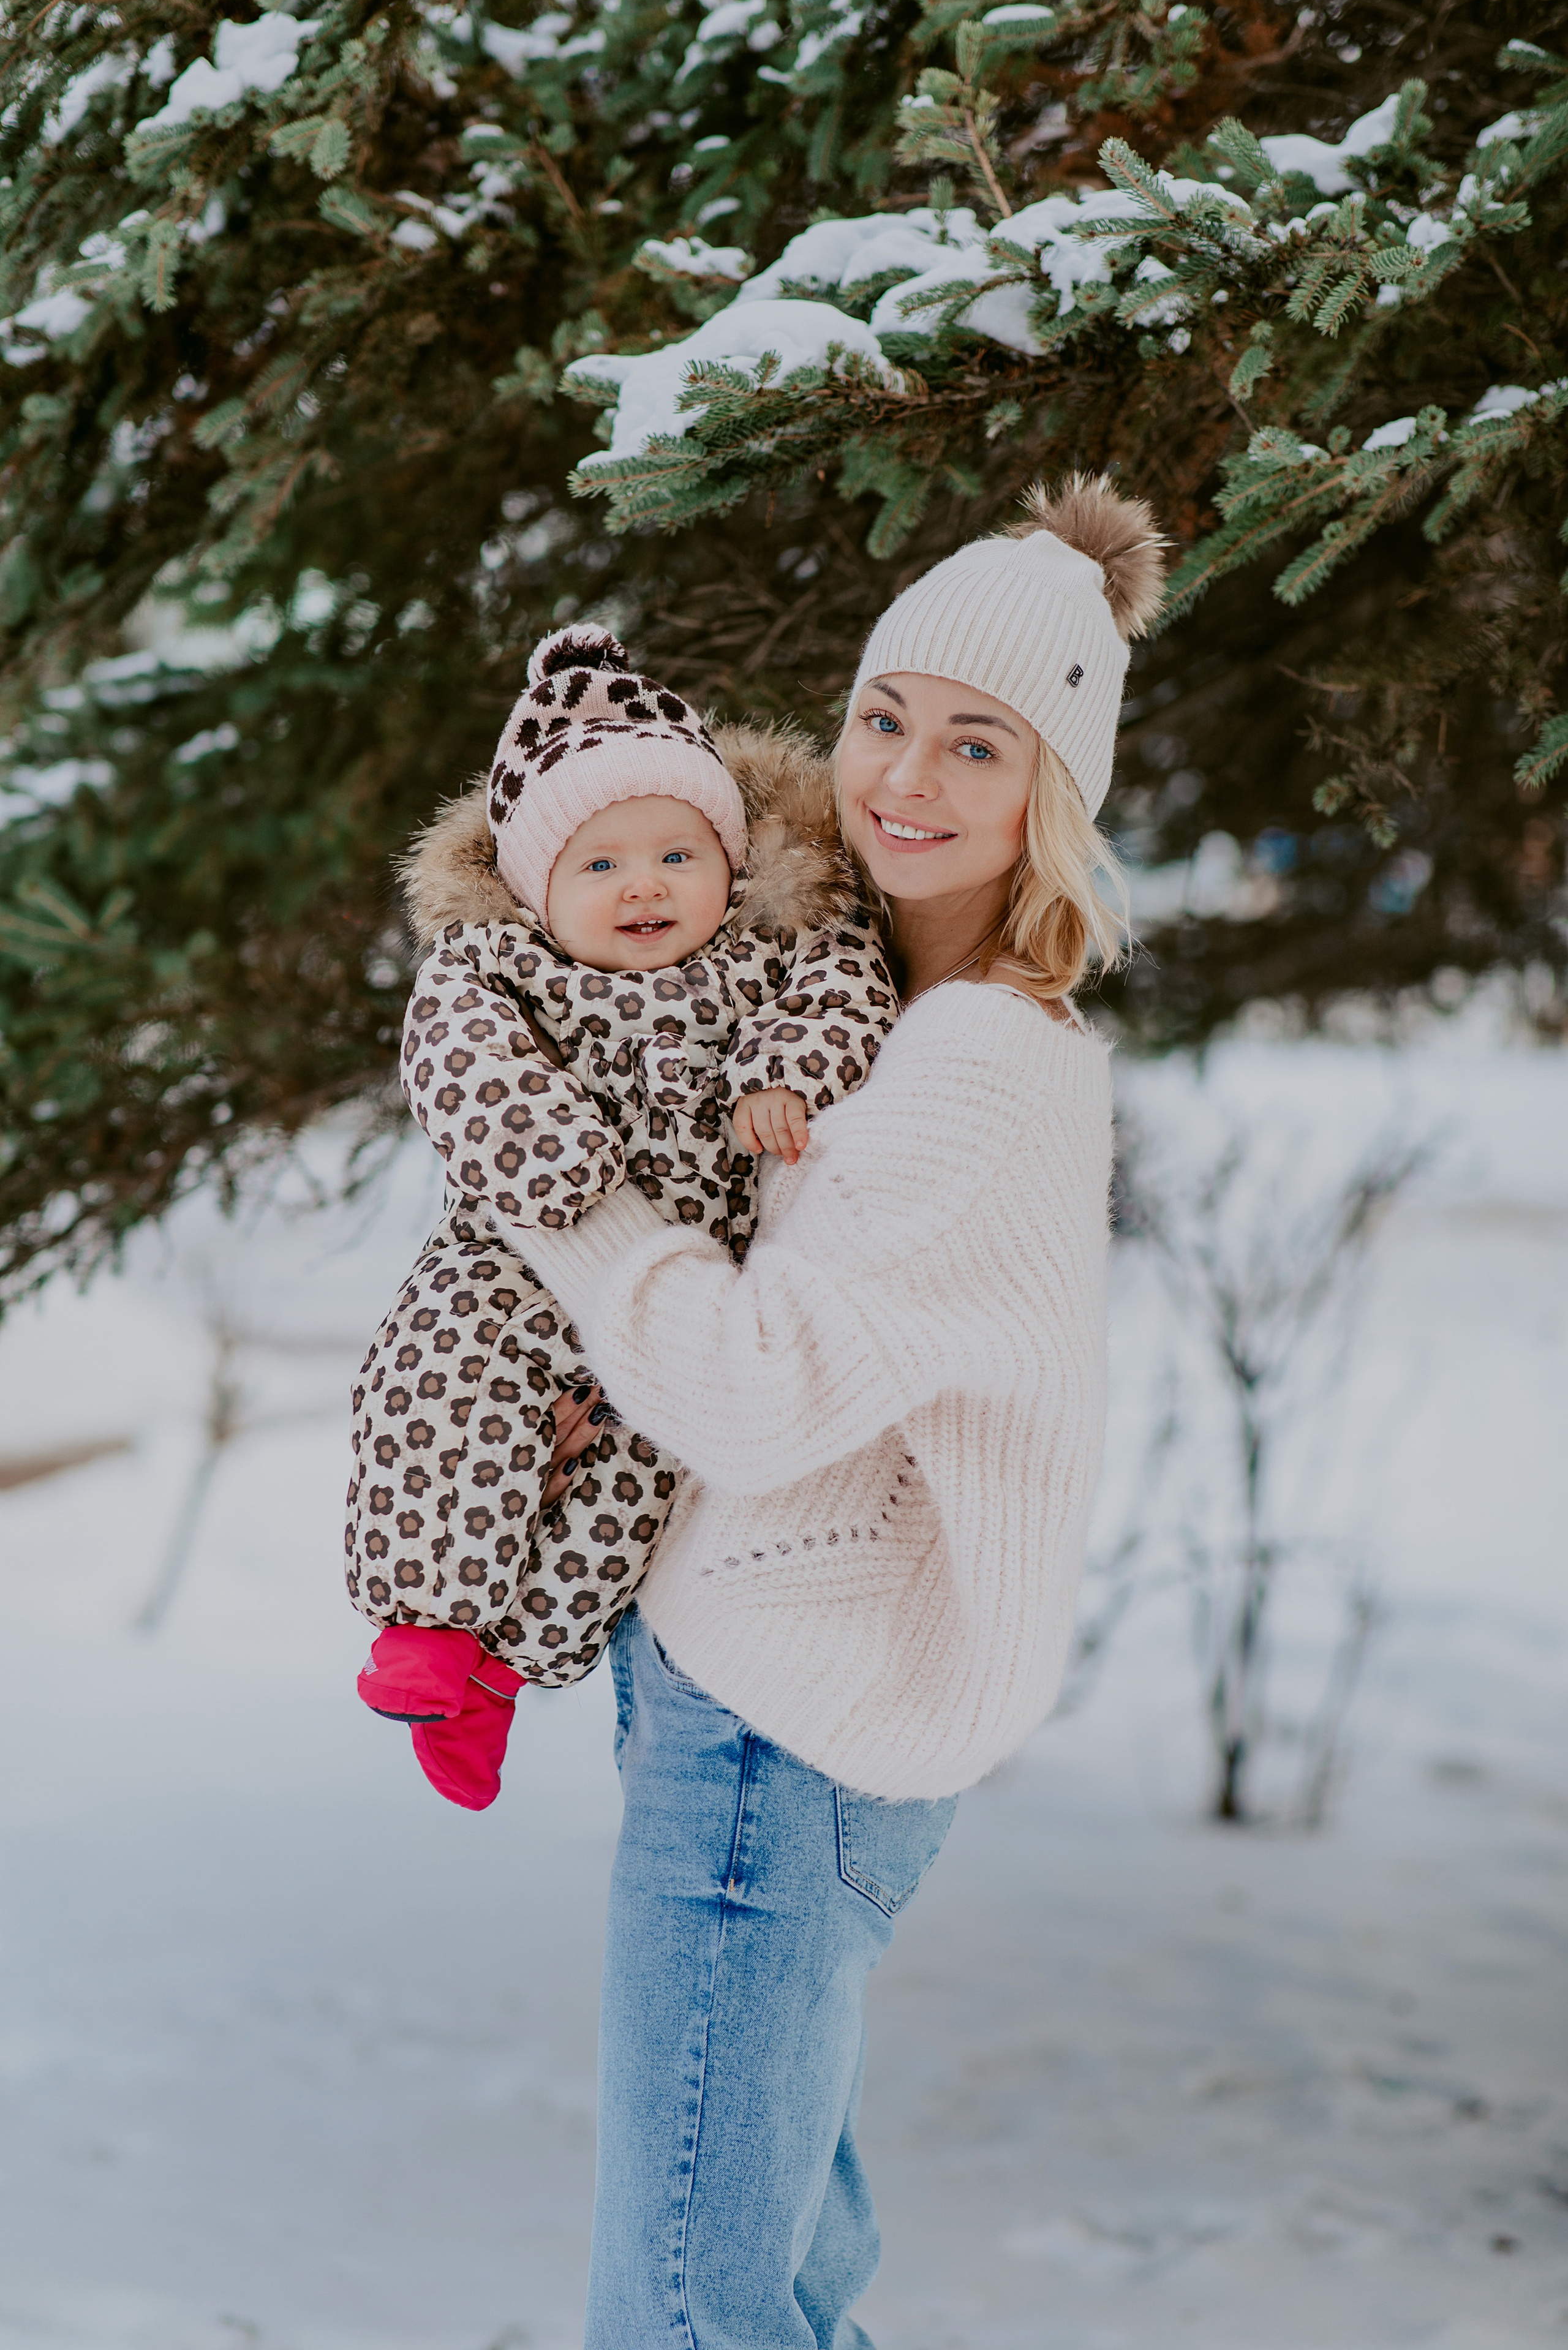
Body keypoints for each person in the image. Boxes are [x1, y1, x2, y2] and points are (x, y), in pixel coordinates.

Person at [511, 472, 1167, 2346]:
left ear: (1052, 796)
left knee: (686, 2310)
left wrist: (560, 1199)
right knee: (768, 2282)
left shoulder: (978, 1061)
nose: (906, 774)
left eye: (978, 744)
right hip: (773, 1715)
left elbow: (757, 1388)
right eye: (886, 716)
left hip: (777, 1733)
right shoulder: (873, 1013)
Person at [344, 625, 897, 1808]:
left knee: (636, 1485)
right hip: (508, 1265)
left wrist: (786, 1070)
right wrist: (546, 1153)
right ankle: (430, 1627)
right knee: (439, 1389)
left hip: (686, 1293)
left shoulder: (771, 948)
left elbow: (848, 981)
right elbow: (458, 1054)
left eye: (676, 854)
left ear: (730, 863)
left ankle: (505, 1673)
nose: (643, 884)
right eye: (599, 864)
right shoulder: (500, 964)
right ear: (537, 889)